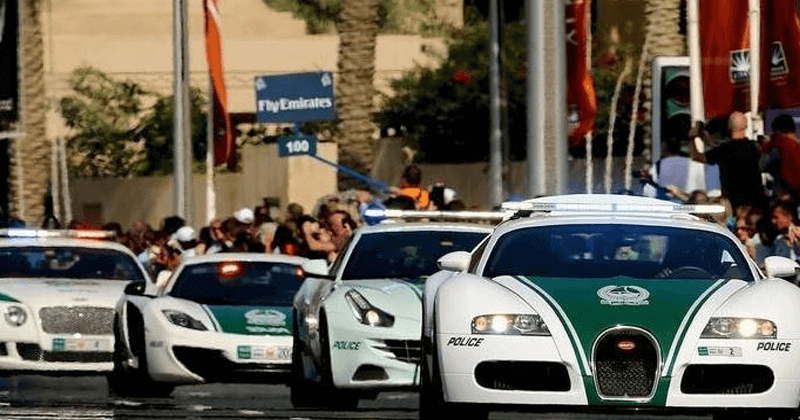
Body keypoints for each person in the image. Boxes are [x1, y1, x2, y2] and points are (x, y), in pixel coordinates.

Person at [689, 112, 764, 211]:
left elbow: (697, 156)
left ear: (729, 127)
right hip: (756, 199)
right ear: (746, 125)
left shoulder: (723, 150)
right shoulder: (755, 148)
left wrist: (692, 138)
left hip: (732, 201)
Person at [759, 114, 800, 201]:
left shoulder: (777, 145)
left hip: (783, 195)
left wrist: (766, 146)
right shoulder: (797, 145)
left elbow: (762, 165)